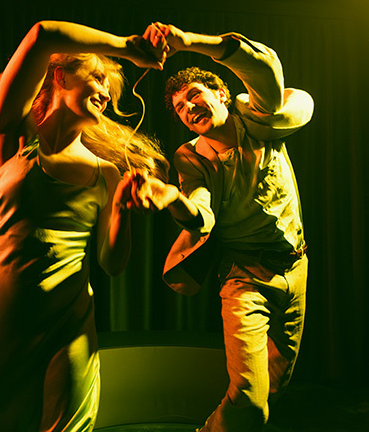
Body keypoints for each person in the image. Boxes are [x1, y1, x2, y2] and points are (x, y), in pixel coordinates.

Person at [0, 20, 168, 431]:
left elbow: (112, 263)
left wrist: (123, 212)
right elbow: (42, 35)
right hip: (1, 314)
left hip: (70, 321)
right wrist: (128, 48)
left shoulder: (105, 172)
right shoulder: (15, 136)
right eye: (96, 78)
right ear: (59, 76)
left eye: (109, 88)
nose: (106, 94)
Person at [133, 22, 314, 431]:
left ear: (221, 95)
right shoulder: (190, 157)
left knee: (272, 388)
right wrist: (174, 202)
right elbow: (203, 212)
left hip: (296, 269)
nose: (188, 108)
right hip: (244, 277)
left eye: (193, 96)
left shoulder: (259, 119)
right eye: (179, 108)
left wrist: (189, 43)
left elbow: (266, 69)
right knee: (250, 402)